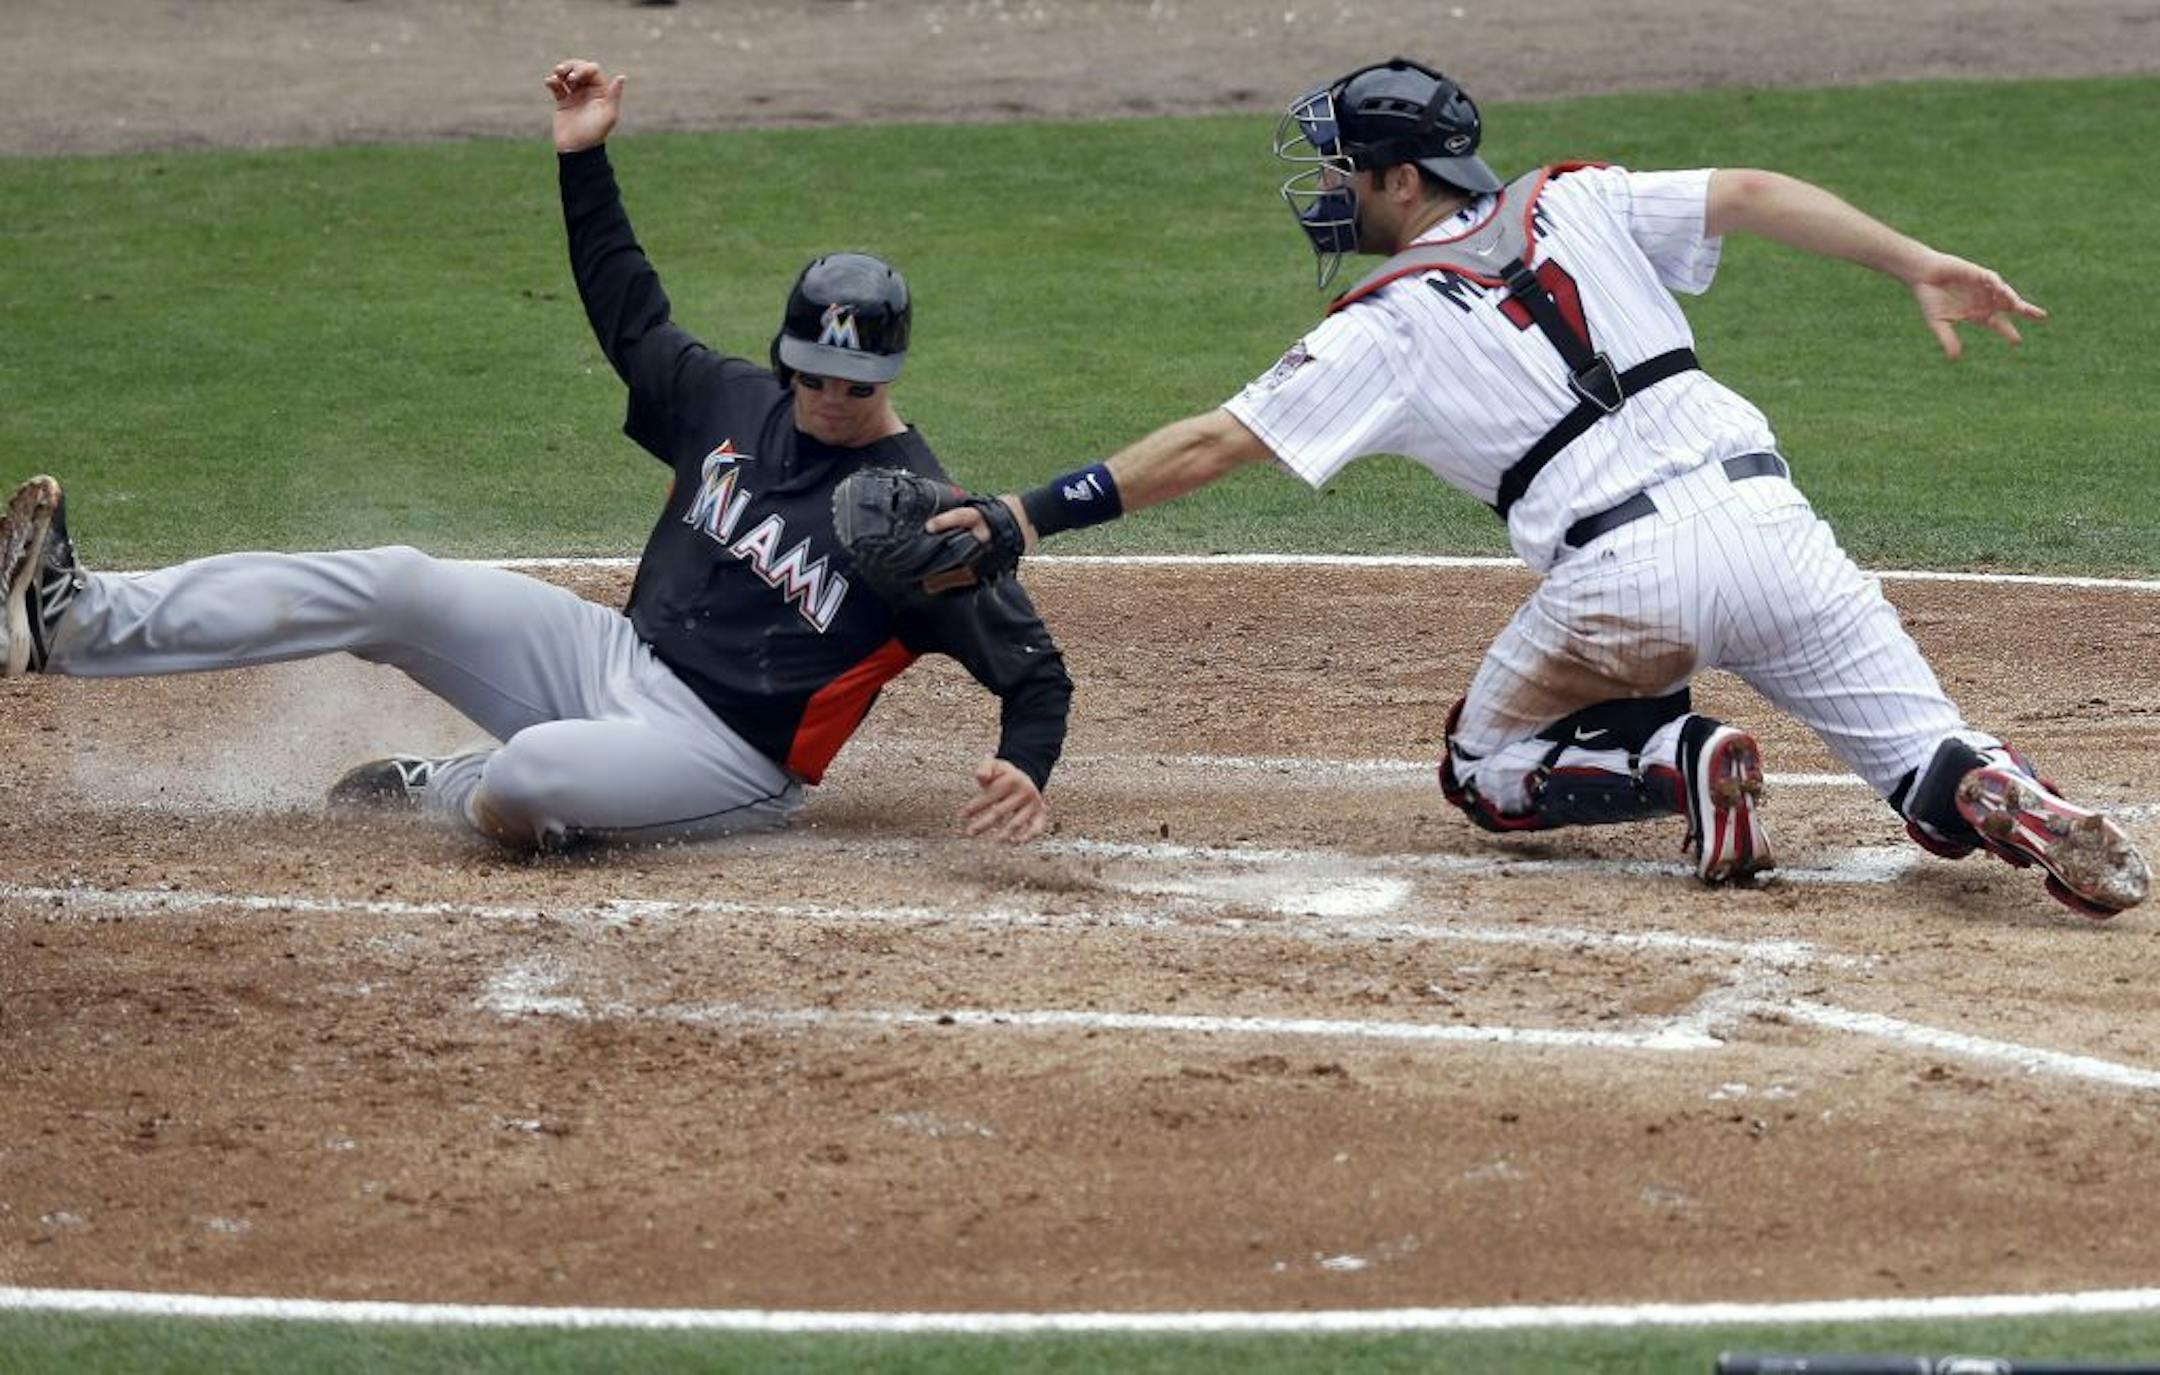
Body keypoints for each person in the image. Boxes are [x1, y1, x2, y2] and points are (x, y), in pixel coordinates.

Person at [927, 56, 2147, 915]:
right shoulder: (1579, 197)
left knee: (1485, 762)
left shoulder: (1388, 320)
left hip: (1626, 582)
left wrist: (1030, 511)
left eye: (1349, 167)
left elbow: (1215, 444)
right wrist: (1915, 260)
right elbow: (1758, 195)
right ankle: (1993, 788)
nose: (1333, 189)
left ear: (1407, 182)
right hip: (1775, 525)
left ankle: (1681, 760)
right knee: (1926, 769)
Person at [0, 57, 1071, 852]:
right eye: (812, 374)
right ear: (784, 356)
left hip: (729, 759)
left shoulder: (922, 516)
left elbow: (1034, 672)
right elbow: (628, 310)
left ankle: (449, 786)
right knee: (394, 582)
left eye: (856, 384)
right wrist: (584, 155)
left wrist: (1022, 766)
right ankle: (74, 619)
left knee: (530, 776)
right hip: (608, 660)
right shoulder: (730, 398)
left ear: (892, 376)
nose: (831, 399)